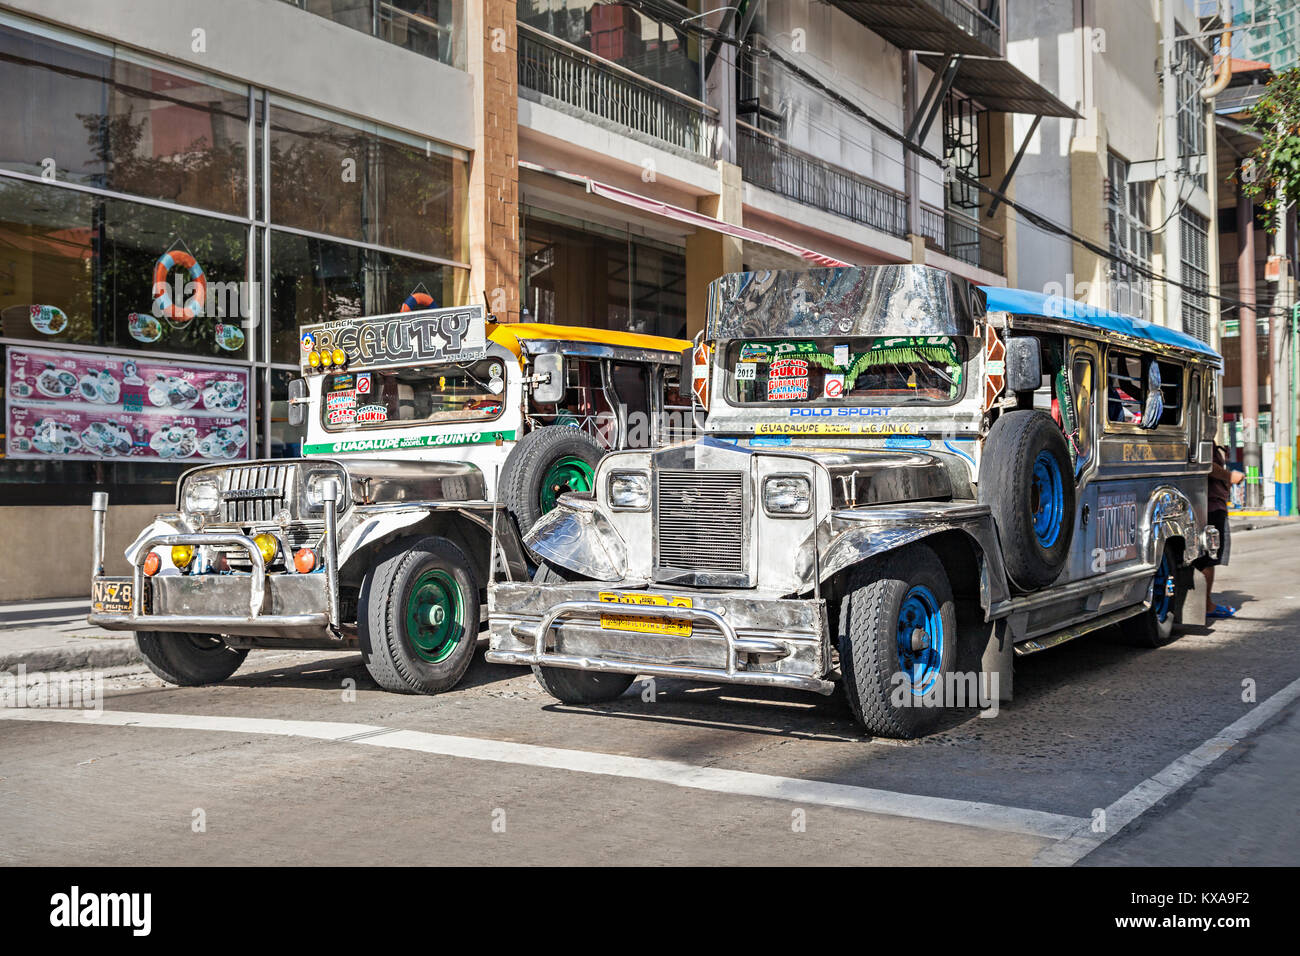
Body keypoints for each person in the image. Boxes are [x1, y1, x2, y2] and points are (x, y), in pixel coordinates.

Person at [1195, 444, 1244, 619]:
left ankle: (1202, 603)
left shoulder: (1211, 442)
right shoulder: (1204, 439)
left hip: (1207, 502)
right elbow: (1206, 465)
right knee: (1209, 558)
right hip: (1211, 504)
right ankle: (1206, 605)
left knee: (1205, 557)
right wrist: (1230, 476)